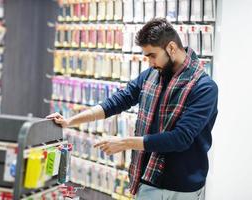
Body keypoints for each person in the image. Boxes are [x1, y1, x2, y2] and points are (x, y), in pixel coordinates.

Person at [46, 18, 218, 200]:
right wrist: (70, 121)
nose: (150, 63)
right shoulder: (152, 75)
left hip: (182, 188)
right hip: (148, 180)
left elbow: (181, 138)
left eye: (152, 55)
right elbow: (118, 101)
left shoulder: (204, 87)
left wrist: (125, 143)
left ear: (172, 48)